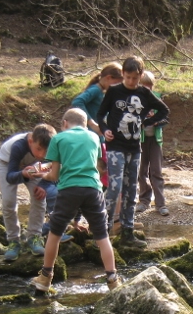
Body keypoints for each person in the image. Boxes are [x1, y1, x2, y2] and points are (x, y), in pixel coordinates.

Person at [29, 108, 119, 292]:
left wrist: (41, 175)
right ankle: (113, 280)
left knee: (54, 234)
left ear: (64, 123)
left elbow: (54, 175)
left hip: (69, 190)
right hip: (93, 189)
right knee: (102, 237)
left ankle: (45, 278)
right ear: (85, 124)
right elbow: (90, 165)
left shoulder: (58, 139)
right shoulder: (94, 137)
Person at [97, 56, 169, 248]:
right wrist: (105, 130)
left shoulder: (144, 93)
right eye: (128, 77)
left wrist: (145, 122)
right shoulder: (114, 91)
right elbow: (100, 114)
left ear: (141, 75)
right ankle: (103, 231)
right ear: (123, 75)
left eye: (134, 78)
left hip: (134, 148)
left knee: (131, 189)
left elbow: (163, 110)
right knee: (114, 188)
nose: (131, 82)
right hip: (115, 147)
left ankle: (128, 232)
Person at [0, 124, 62, 261]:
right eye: (38, 149)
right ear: (31, 141)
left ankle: (34, 237)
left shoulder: (52, 149)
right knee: (8, 201)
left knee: (39, 197)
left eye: (46, 151)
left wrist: (43, 185)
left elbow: (53, 172)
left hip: (32, 167)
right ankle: (13, 240)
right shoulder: (18, 146)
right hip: (7, 164)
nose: (41, 155)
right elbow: (11, 177)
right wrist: (24, 174)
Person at [136, 71, 169, 216]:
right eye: (144, 86)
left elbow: (165, 117)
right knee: (141, 171)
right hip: (140, 139)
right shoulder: (135, 100)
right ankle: (144, 200)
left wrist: (156, 121)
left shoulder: (157, 98)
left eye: (149, 86)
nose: (147, 89)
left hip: (155, 139)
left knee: (156, 170)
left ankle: (160, 204)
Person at [71, 63, 123, 136]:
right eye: (116, 83)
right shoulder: (95, 90)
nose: (117, 87)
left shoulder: (102, 92)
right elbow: (77, 102)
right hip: (90, 134)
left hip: (99, 135)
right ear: (108, 78)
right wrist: (92, 124)